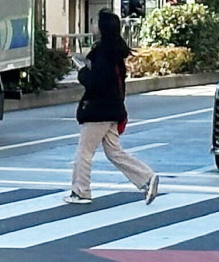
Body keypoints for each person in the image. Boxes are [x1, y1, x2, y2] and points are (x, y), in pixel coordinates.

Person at [69, 11, 161, 205]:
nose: (92, 25)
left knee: (84, 152)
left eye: (95, 22)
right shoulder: (114, 53)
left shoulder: (102, 54)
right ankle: (147, 177)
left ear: (102, 29)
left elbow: (96, 83)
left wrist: (82, 71)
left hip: (98, 110)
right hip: (113, 109)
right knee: (114, 152)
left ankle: (81, 191)